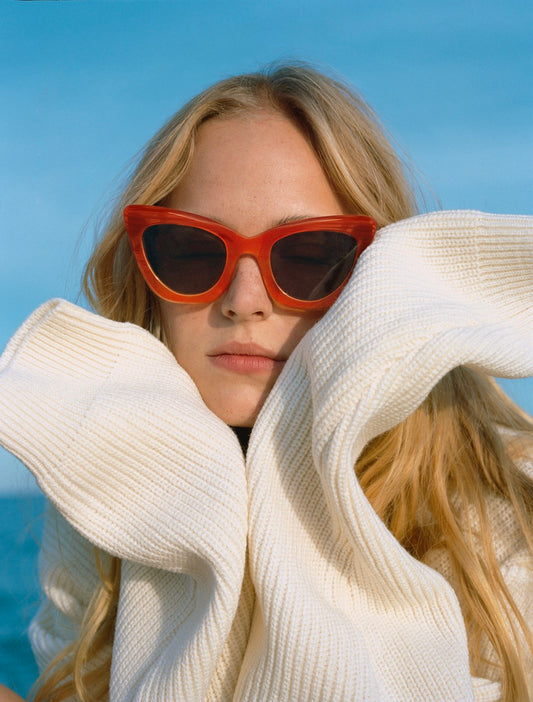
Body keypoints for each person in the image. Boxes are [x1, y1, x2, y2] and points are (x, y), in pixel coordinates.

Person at [0, 63, 532, 702]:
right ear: (146, 274)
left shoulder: (496, 521)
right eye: (193, 251)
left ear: (376, 281)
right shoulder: (103, 504)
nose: (244, 300)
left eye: (308, 257)